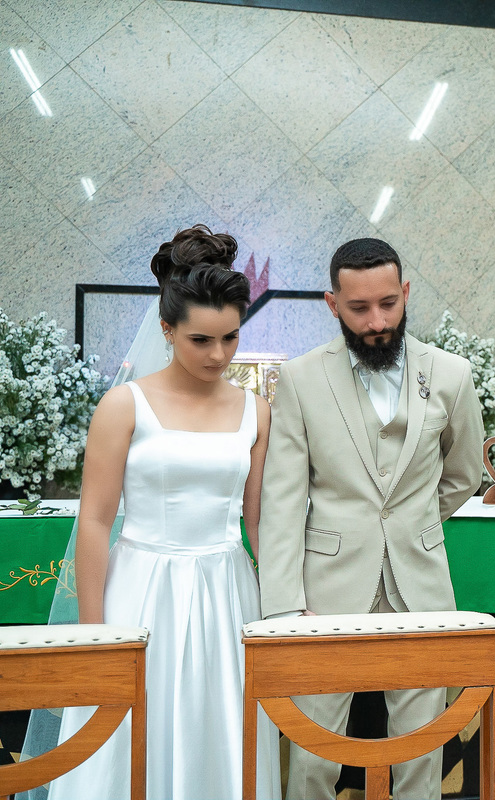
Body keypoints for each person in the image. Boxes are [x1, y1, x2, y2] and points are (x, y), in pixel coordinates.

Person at [44, 225, 280, 799]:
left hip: (228, 592)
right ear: (168, 329)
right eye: (201, 340)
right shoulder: (124, 405)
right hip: (141, 592)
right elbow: (95, 521)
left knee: (225, 733)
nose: (219, 355)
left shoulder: (257, 411)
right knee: (128, 735)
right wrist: (94, 634)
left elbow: (258, 523)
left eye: (230, 338)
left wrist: (282, 610)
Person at [258, 237, 484, 800]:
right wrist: (283, 606)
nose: (377, 320)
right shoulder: (302, 379)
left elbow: (462, 474)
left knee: (421, 747)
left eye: (388, 303)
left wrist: (416, 525)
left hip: (420, 585)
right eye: (359, 309)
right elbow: (282, 499)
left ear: (405, 293)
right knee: (313, 751)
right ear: (331, 304)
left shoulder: (452, 376)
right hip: (324, 591)